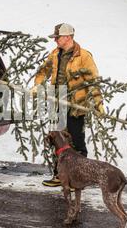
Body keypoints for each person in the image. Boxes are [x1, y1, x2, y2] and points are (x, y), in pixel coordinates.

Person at [32, 23, 105, 187]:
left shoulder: (84, 56)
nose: (55, 40)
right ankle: (60, 176)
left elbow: (93, 81)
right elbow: (43, 71)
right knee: (57, 141)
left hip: (75, 106)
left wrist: (98, 103)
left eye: (57, 37)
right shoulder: (55, 54)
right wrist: (38, 84)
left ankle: (80, 179)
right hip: (56, 104)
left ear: (68, 37)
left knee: (77, 142)